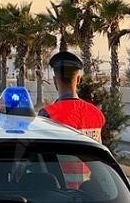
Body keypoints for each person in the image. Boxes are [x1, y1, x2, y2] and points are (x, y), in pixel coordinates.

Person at [38, 51, 106, 189]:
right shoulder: (96, 113)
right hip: (92, 189)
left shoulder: (47, 116)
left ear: (55, 80)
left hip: (61, 190)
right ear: (79, 79)